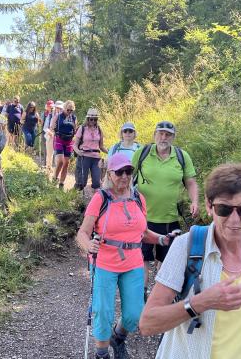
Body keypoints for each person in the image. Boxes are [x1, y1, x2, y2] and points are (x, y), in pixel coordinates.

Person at [139, 163, 241, 359]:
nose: (234, 220)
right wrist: (200, 303)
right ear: (208, 206)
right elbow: (148, 323)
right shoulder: (185, 247)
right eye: (224, 209)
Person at [76, 153, 173, 359]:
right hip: (104, 262)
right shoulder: (100, 198)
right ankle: (102, 353)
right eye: (119, 171)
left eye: (128, 171)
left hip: (133, 263)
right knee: (103, 312)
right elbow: (82, 233)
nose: (124, 176)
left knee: (135, 314)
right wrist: (88, 245)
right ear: (110, 174)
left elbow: (143, 233)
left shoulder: (138, 198)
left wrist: (163, 239)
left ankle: (118, 337)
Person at [131, 120, 199, 300]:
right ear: (155, 135)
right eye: (161, 133)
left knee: (166, 261)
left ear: (173, 137)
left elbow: (191, 182)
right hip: (142, 218)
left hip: (169, 218)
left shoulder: (181, 156)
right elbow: (128, 177)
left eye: (168, 134)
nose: (164, 137)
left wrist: (195, 202)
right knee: (142, 259)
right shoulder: (142, 153)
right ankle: (141, 295)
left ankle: (159, 297)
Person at [73, 108, 108, 192]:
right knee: (81, 182)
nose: (93, 121)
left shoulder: (99, 130)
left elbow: (101, 146)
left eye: (95, 119)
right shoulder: (82, 128)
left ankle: (96, 202)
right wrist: (78, 152)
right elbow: (75, 145)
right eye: (91, 119)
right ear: (87, 119)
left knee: (97, 182)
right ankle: (76, 199)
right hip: (84, 157)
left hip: (96, 157)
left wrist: (110, 152)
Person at [50, 100, 77, 189]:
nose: (69, 112)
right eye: (68, 110)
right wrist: (52, 129)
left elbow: (75, 130)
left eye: (71, 110)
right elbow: (52, 127)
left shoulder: (73, 118)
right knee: (60, 161)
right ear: (64, 108)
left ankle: (61, 183)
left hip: (69, 141)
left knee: (66, 163)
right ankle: (55, 178)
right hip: (59, 140)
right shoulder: (58, 116)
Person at [43, 100, 60, 174]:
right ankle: (48, 168)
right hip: (50, 136)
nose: (51, 108)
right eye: (50, 107)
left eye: (52, 107)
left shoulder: (58, 115)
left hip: (58, 136)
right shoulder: (47, 116)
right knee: (49, 153)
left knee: (57, 154)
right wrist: (49, 132)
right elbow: (45, 127)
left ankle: (56, 170)